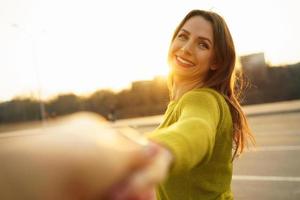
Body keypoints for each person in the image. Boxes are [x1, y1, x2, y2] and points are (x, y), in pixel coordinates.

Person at [118, 9, 255, 200]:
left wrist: (155, 151)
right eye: (183, 36)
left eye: (202, 45)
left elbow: (196, 128)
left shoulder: (203, 99)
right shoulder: (177, 104)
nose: (186, 49)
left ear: (216, 61)